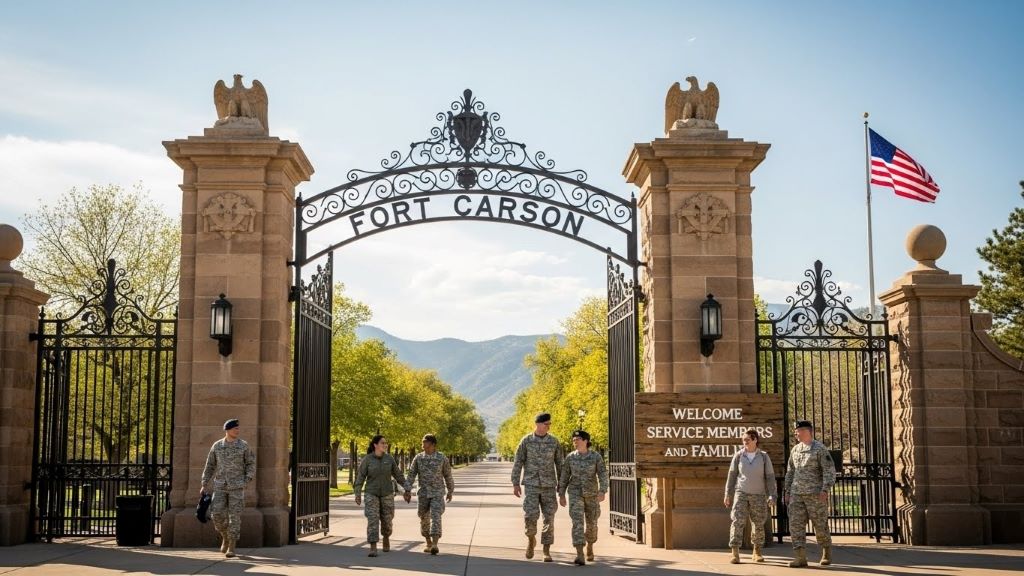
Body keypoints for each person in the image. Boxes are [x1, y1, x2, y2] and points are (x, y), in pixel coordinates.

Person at [511, 412, 564, 562]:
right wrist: (515, 483)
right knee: (530, 516)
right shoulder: (526, 441)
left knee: (549, 518)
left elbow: (560, 464)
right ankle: (530, 540)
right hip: (531, 485)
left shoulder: (554, 442)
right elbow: (518, 463)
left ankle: (546, 550)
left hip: (548, 486)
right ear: (538, 424)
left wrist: (562, 485)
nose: (549, 426)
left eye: (549, 424)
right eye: (547, 424)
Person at [783, 420, 836, 568]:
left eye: (798, 431)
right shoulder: (795, 450)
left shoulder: (820, 449)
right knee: (796, 525)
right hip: (796, 494)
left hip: (815, 494)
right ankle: (800, 557)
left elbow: (829, 470)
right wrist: (787, 491)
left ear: (807, 431)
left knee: (820, 524)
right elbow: (790, 472)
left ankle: (826, 552)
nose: (796, 433)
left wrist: (825, 489)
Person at [199, 418, 255, 558]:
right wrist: (204, 483)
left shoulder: (243, 446)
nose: (237, 430)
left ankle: (231, 545)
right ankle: (225, 535)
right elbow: (210, 465)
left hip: (237, 487)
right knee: (216, 514)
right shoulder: (217, 446)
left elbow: (250, 464)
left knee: (234, 516)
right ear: (227, 430)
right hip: (220, 486)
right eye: (235, 428)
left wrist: (246, 479)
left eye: (238, 428)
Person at [723, 429, 777, 564]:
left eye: (747, 439)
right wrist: (727, 494)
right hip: (741, 493)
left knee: (758, 523)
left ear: (755, 440)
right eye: (743, 440)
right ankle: (735, 552)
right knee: (737, 521)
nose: (745, 442)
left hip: (758, 494)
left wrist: (772, 495)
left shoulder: (764, 457)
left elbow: (770, 478)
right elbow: (732, 476)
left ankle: (757, 551)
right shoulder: (738, 456)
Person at [557, 429, 608, 566]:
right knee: (577, 523)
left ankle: (590, 545)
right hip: (575, 493)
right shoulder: (570, 457)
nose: (575, 442)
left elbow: (603, 474)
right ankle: (580, 553)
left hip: (592, 495)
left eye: (577, 439)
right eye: (573, 440)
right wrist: (561, 494)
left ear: (585, 441)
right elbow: (564, 476)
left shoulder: (595, 456)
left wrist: (602, 491)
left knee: (592, 523)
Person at [353, 435, 408, 557]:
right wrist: (357, 493)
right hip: (371, 493)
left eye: (386, 443)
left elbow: (398, 474)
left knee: (387, 519)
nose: (385, 445)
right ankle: (373, 546)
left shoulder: (389, 459)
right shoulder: (367, 460)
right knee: (372, 519)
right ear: (375, 445)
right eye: (382, 443)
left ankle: (386, 536)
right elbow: (360, 477)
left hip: (387, 493)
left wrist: (407, 488)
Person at [404, 434, 455, 555]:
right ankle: (428, 542)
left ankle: (435, 544)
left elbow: (448, 475)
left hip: (437, 492)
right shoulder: (418, 458)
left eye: (425, 442)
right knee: (423, 517)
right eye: (422, 442)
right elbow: (411, 474)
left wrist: (450, 490)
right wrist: (407, 490)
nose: (422, 444)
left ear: (432, 444)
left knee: (436, 516)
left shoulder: (442, 458)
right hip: (423, 493)